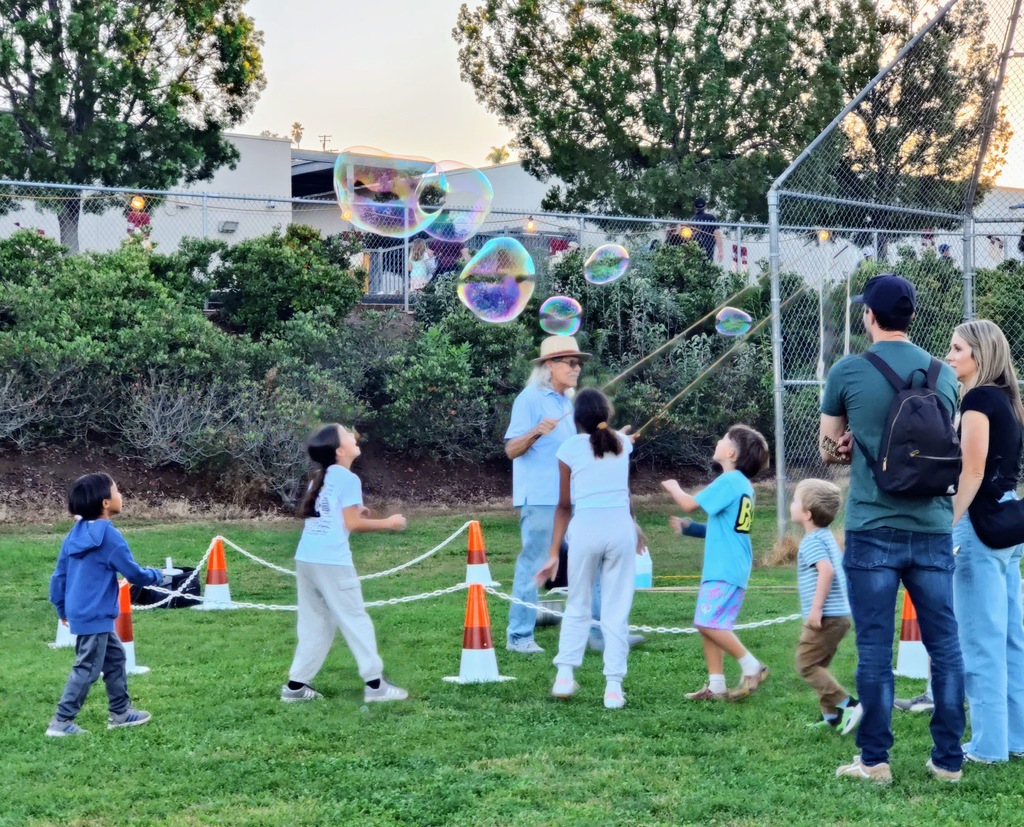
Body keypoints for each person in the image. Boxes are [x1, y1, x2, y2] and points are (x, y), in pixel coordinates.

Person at [821, 272, 965, 784]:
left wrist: (845, 446)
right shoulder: (943, 372)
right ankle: (948, 760)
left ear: (869, 316)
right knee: (945, 647)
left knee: (876, 650)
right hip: (931, 526)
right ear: (910, 316)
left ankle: (875, 760)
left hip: (873, 525)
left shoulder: (848, 371)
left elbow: (829, 444)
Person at [282, 423, 409, 704]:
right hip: (331, 561)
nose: (354, 435)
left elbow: (335, 514)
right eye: (347, 434)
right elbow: (352, 525)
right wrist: (389, 523)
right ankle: (376, 686)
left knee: (314, 623)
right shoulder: (349, 480)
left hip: (307, 558)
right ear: (340, 450)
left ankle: (295, 688)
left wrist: (357, 512)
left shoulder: (320, 477)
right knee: (355, 619)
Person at [945, 320, 1024, 763]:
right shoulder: (1010, 401)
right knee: (1011, 636)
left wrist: (947, 524)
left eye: (957, 349)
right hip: (1011, 523)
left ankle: (989, 746)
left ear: (979, 354)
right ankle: (1016, 738)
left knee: (980, 639)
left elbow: (971, 473)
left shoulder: (977, 399)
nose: (950, 356)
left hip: (979, 525)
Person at [535, 389, 642, 709]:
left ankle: (564, 676)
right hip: (620, 530)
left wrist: (554, 552)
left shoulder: (569, 449)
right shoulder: (622, 446)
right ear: (606, 417)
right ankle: (613, 688)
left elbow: (564, 506)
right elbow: (619, 454)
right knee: (616, 610)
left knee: (578, 604)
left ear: (576, 420)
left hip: (585, 531)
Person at [46, 473, 166, 737]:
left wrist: (61, 608)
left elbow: (59, 576)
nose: (120, 496)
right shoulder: (109, 536)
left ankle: (121, 713)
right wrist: (158, 575)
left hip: (82, 612)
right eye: (117, 491)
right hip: (96, 613)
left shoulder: (73, 535)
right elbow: (133, 574)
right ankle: (61, 722)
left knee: (115, 658)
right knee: (87, 667)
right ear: (105, 504)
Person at [662, 424, 771, 701]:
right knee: (712, 624)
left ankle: (752, 666)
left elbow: (688, 504)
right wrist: (691, 529)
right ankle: (716, 685)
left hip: (725, 568)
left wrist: (674, 487)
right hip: (728, 567)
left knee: (707, 622)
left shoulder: (730, 481)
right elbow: (722, 527)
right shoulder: (742, 485)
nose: (719, 440)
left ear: (732, 453)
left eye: (723, 438)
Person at [503, 335, 587, 654]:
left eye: (578, 363)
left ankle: (595, 632)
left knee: (588, 559)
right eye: (570, 362)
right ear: (549, 366)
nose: (577, 368)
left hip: (569, 500)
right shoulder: (530, 399)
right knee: (534, 564)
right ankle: (519, 636)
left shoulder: (566, 402)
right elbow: (511, 449)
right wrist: (536, 430)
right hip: (540, 499)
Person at [790, 479, 862, 734]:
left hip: (827, 616)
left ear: (807, 514)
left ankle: (849, 704)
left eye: (795, 501)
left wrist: (816, 609)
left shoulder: (811, 542)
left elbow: (827, 571)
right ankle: (830, 717)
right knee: (819, 665)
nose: (791, 504)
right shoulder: (827, 538)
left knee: (806, 665)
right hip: (841, 615)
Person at [690, 197, 724, 262]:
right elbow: (717, 234)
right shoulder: (711, 218)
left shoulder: (692, 220)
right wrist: (721, 251)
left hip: (695, 248)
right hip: (708, 248)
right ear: (705, 206)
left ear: (695, 207)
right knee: (707, 266)